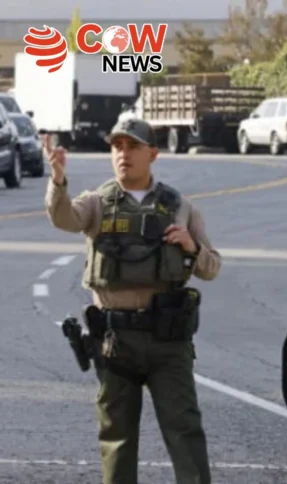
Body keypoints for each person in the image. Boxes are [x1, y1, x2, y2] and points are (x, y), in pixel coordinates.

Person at [44, 118, 221, 484]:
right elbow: (64, 218)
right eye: (117, 147)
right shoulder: (97, 203)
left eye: (133, 146)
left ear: (152, 154)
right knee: (117, 440)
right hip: (115, 342)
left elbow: (212, 267)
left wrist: (192, 247)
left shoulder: (180, 206)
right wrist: (58, 180)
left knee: (185, 432)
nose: (123, 154)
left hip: (167, 341)